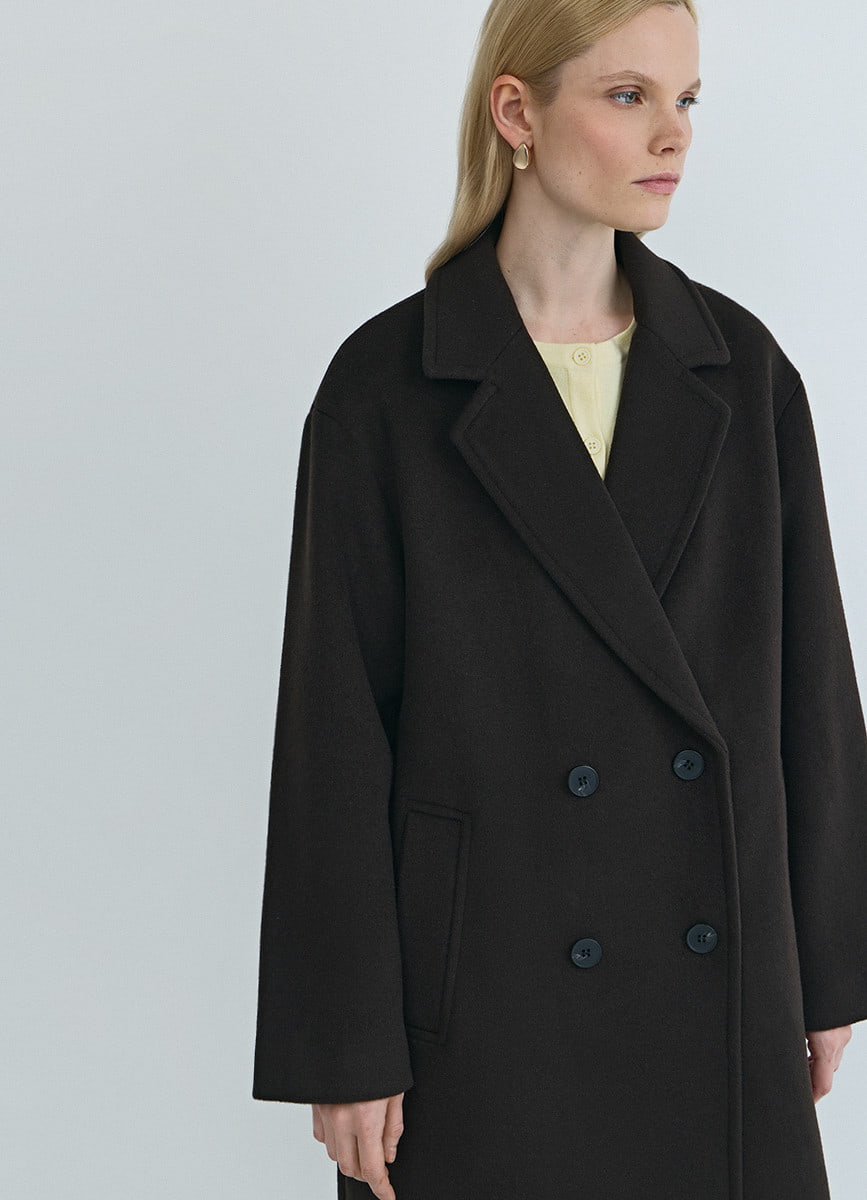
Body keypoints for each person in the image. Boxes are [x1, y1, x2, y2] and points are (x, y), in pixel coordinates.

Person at [253, 1, 867, 1197]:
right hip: (485, 994)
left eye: (686, 100)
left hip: (720, 979)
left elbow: (813, 679)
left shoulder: (740, 368)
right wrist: (345, 1040)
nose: (673, 134)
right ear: (517, 113)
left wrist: (831, 966)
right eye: (629, 96)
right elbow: (333, 730)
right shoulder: (387, 388)